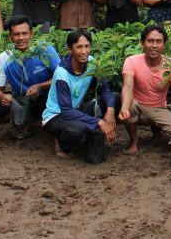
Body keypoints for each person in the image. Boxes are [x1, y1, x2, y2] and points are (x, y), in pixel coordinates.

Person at [42, 29, 119, 157]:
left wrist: (110, 110)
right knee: (77, 129)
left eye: (87, 46)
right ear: (70, 50)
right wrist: (98, 122)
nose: (84, 52)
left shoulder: (91, 63)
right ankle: (61, 143)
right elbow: (66, 110)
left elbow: (104, 88)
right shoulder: (62, 73)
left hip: (76, 109)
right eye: (79, 47)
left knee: (115, 98)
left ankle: (89, 133)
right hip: (56, 116)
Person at [0, 16, 60, 138]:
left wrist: (40, 87)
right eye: (16, 34)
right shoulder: (4, 57)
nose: (21, 38)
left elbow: (62, 77)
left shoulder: (45, 49)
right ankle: (23, 121)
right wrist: (2, 97)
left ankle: (38, 121)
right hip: (20, 99)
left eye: (25, 33)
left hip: (45, 98)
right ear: (10, 37)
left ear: (32, 34)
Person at [118, 25, 171, 154]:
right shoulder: (132, 61)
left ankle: (157, 135)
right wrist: (124, 108)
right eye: (150, 41)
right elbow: (127, 88)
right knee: (130, 105)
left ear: (164, 45)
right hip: (138, 107)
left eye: (159, 41)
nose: (154, 45)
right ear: (142, 43)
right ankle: (133, 142)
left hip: (159, 108)